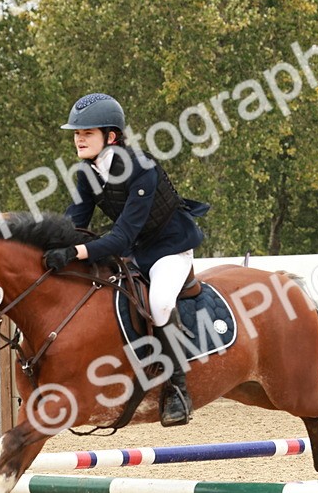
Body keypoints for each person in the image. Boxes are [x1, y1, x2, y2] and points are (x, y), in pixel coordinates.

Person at [47, 93, 210, 427]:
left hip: (170, 248)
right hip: (134, 250)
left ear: (111, 137)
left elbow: (120, 237)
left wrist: (76, 252)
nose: (79, 138)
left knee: (161, 303)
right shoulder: (87, 171)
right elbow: (76, 221)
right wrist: (48, 242)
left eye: (87, 132)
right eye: (77, 133)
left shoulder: (142, 169)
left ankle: (178, 389)